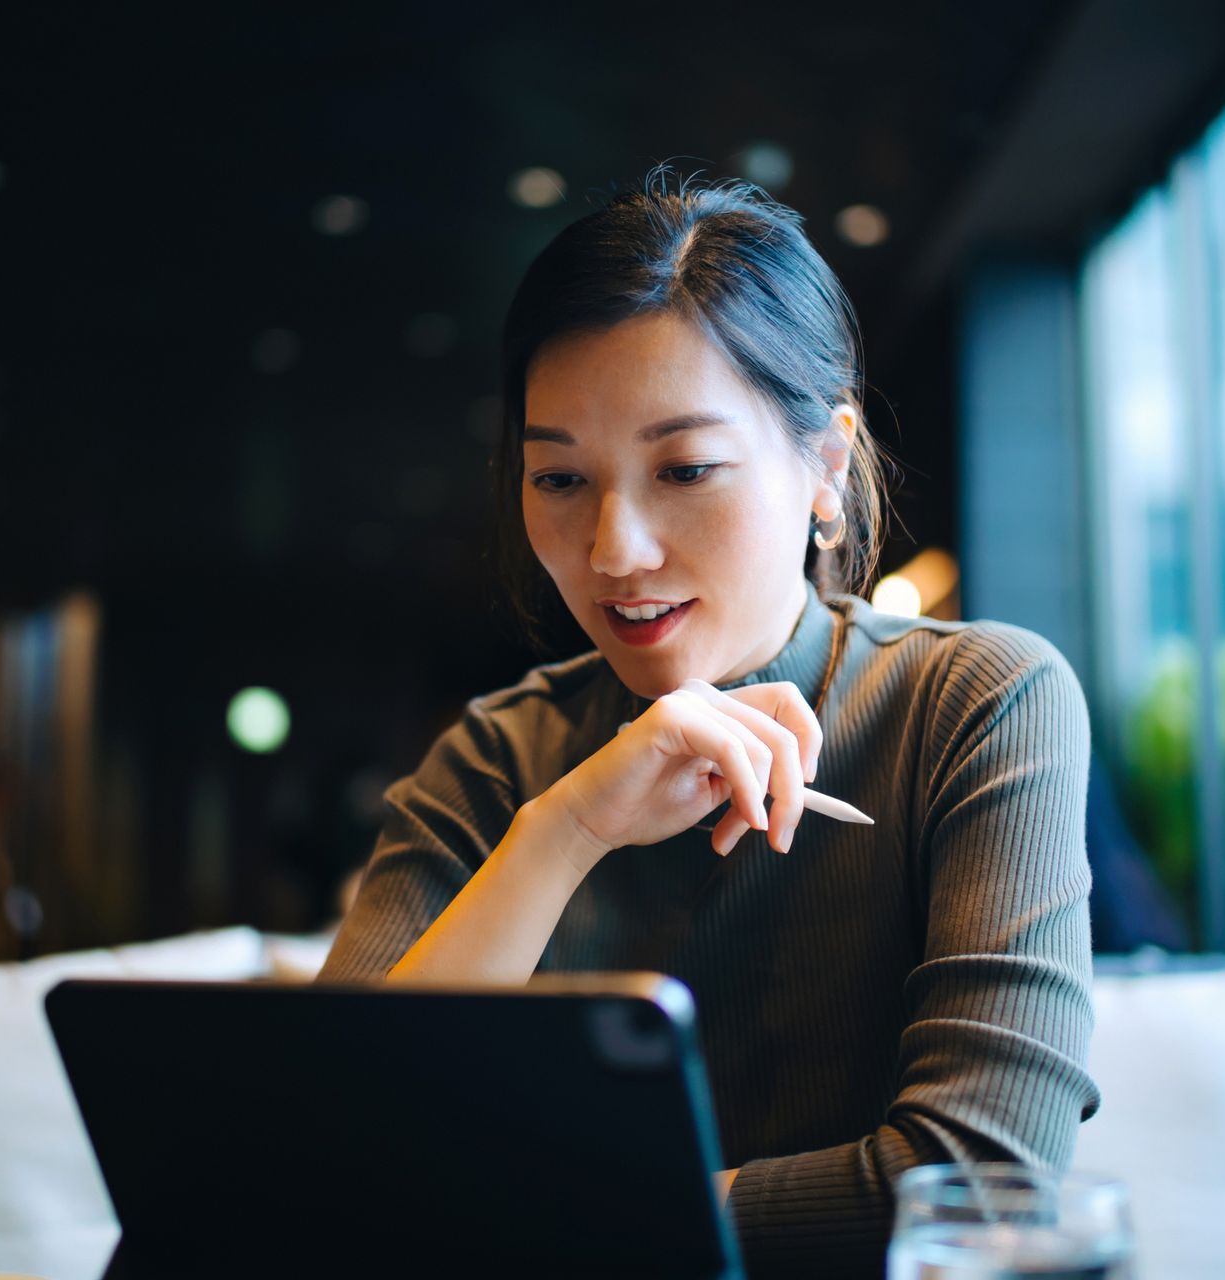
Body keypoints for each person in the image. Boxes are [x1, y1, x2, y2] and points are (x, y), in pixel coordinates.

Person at [317, 169, 1099, 1277]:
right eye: (558, 477)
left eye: (685, 468)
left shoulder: (975, 703)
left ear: (825, 465)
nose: (614, 550)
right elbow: (329, 1150)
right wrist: (565, 828)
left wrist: (548, 1220)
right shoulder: (500, 760)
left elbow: (980, 1179)